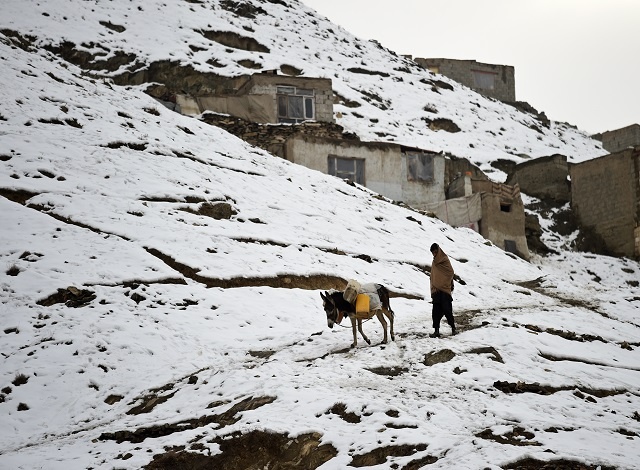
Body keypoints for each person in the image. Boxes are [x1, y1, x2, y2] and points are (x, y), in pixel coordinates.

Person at [429, 243, 456, 338]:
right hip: (436, 291)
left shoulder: (444, 260)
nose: (434, 254)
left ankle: (453, 328)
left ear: (439, 251)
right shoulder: (434, 262)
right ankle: (436, 331)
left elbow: (450, 272)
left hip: (444, 291)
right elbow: (433, 276)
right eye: (433, 253)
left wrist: (444, 283)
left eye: (436, 252)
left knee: (447, 311)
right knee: (435, 312)